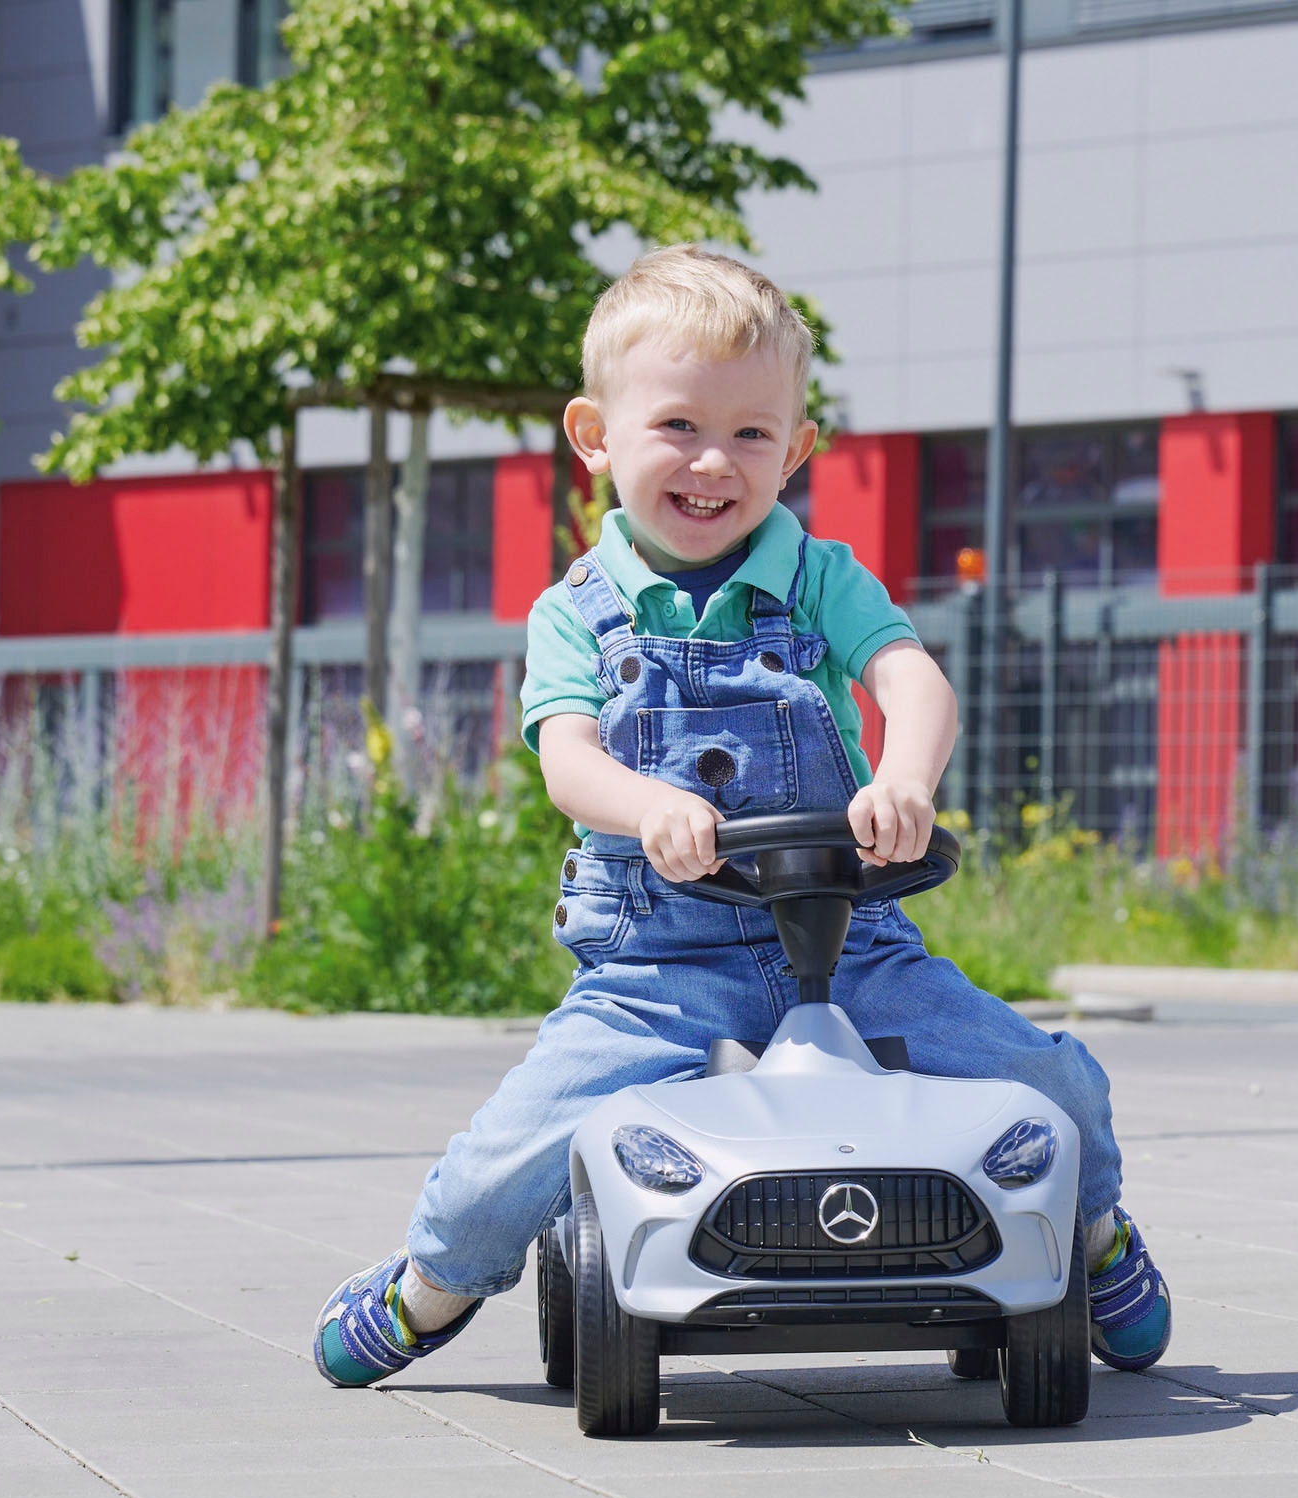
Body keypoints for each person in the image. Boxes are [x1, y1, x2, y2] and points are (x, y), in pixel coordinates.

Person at [314, 247, 1170, 1388]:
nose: (713, 461)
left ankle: (1096, 1234)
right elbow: (568, 759)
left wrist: (902, 777)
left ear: (798, 448)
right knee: (502, 1160)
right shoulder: (578, 612)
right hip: (658, 964)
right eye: (677, 424)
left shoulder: (821, 579)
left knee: (1046, 1081)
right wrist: (646, 803)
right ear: (594, 434)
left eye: (752, 434)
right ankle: (429, 1284)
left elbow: (913, 679)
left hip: (854, 945)